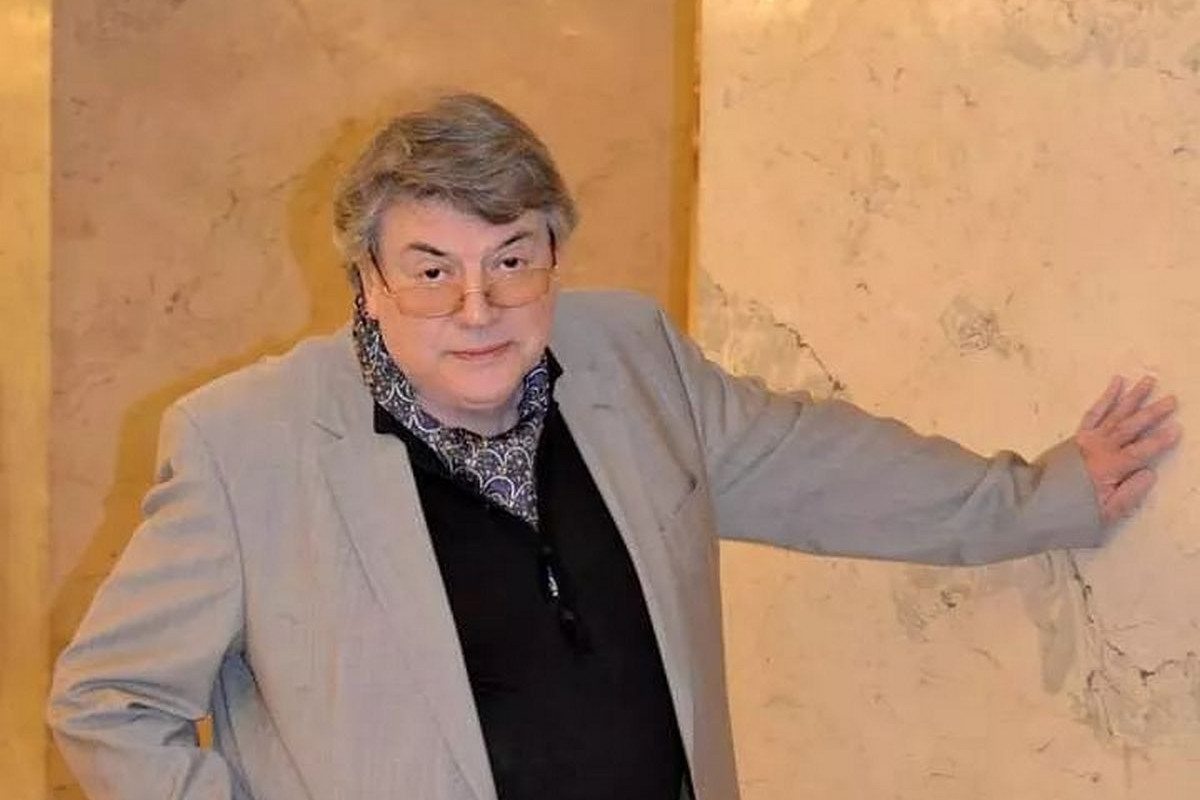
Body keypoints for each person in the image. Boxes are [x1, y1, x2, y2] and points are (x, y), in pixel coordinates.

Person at [48, 93, 1181, 800]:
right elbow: (106, 701)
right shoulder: (246, 443)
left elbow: (824, 467)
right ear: (368, 280)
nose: (478, 307)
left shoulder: (629, 356)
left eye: (513, 258)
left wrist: (1046, 496)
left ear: (555, 255)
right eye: (432, 268)